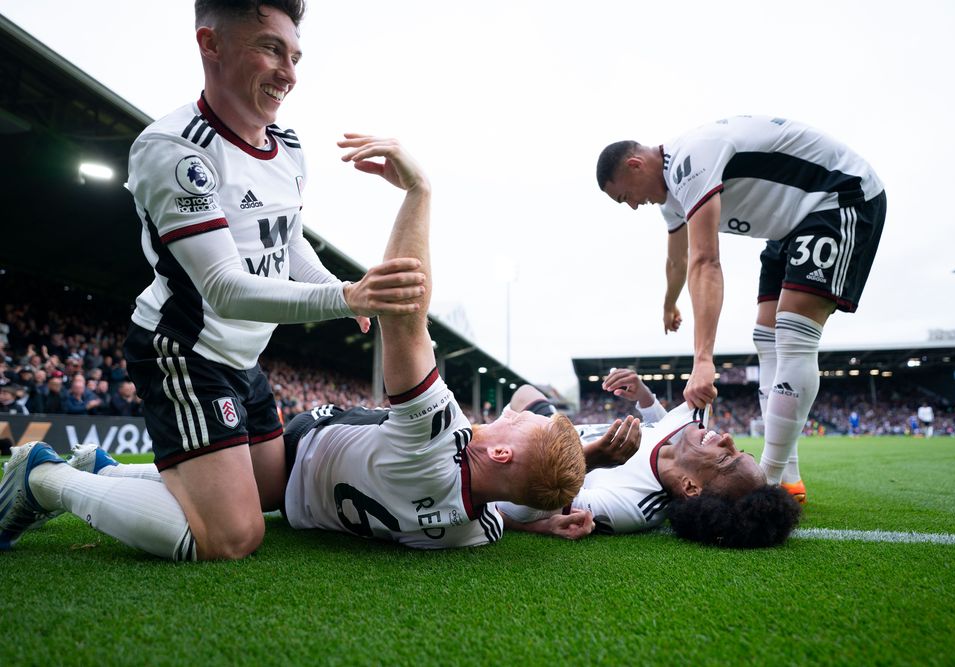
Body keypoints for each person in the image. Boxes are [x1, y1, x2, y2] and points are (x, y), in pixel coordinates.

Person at [5, 135, 588, 552]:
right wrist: (549, 501)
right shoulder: (471, 530)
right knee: (237, 494)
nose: (513, 411)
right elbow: (499, 510)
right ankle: (106, 470)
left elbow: (406, 310)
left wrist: (419, 192)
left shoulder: (437, 439)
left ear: (504, 454)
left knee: (226, 534)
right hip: (300, 485)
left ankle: (46, 477)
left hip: (300, 453)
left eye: (520, 422)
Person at [0, 1, 427, 561]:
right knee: (232, 536)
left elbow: (287, 241)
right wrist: (343, 295)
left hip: (241, 359)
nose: (290, 73)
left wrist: (341, 293)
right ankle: (40, 477)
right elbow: (224, 286)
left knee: (271, 491)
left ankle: (102, 471)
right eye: (271, 49)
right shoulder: (175, 149)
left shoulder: (288, 146)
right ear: (211, 44)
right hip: (183, 349)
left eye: (295, 55)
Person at [597, 116, 887, 503]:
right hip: (789, 227)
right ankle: (788, 477)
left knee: (792, 333)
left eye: (624, 197)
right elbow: (678, 262)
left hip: (837, 195)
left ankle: (764, 484)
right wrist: (670, 303)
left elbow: (706, 261)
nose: (633, 206)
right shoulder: (673, 199)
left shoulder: (690, 159)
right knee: (766, 338)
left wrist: (703, 359)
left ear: (635, 165)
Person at [498, 369, 801, 548]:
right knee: (525, 392)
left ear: (691, 487)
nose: (727, 440)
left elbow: (525, 505)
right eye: (739, 450)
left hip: (536, 453)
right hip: (560, 424)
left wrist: (589, 459)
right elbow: (663, 422)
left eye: (725, 459)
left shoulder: (632, 507)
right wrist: (644, 396)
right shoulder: (691, 425)